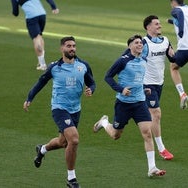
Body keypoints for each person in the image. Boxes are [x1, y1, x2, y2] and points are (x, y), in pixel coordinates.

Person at [23, 36, 96, 188]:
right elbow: (41, 82)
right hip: (59, 108)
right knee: (74, 140)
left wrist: (91, 90)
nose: (72, 49)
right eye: (69, 46)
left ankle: (42, 149)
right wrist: (29, 98)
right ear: (62, 48)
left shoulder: (83, 65)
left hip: (76, 109)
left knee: (63, 142)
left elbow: (92, 82)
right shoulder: (54, 67)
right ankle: (71, 179)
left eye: (74, 46)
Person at [93, 34, 166, 177]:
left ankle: (152, 168)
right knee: (115, 135)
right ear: (130, 46)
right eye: (137, 43)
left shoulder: (144, 60)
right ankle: (104, 122)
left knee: (147, 133)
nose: (140, 45)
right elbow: (108, 77)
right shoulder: (123, 61)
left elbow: (138, 79)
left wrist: (144, 89)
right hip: (123, 104)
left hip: (139, 103)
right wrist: (121, 89)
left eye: (141, 43)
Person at [142, 15, 175, 160]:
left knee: (118, 130)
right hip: (146, 84)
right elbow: (131, 61)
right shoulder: (143, 43)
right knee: (156, 113)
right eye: (156, 24)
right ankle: (161, 148)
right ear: (148, 27)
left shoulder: (166, 41)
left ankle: (106, 124)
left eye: (159, 24)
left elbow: (173, 59)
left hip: (159, 83)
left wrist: (175, 56)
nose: (159, 26)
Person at [11, 0, 59, 71]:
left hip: (31, 17)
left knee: (36, 38)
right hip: (42, 14)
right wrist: (53, 7)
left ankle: (42, 64)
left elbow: (15, 12)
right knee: (39, 36)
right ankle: (41, 62)